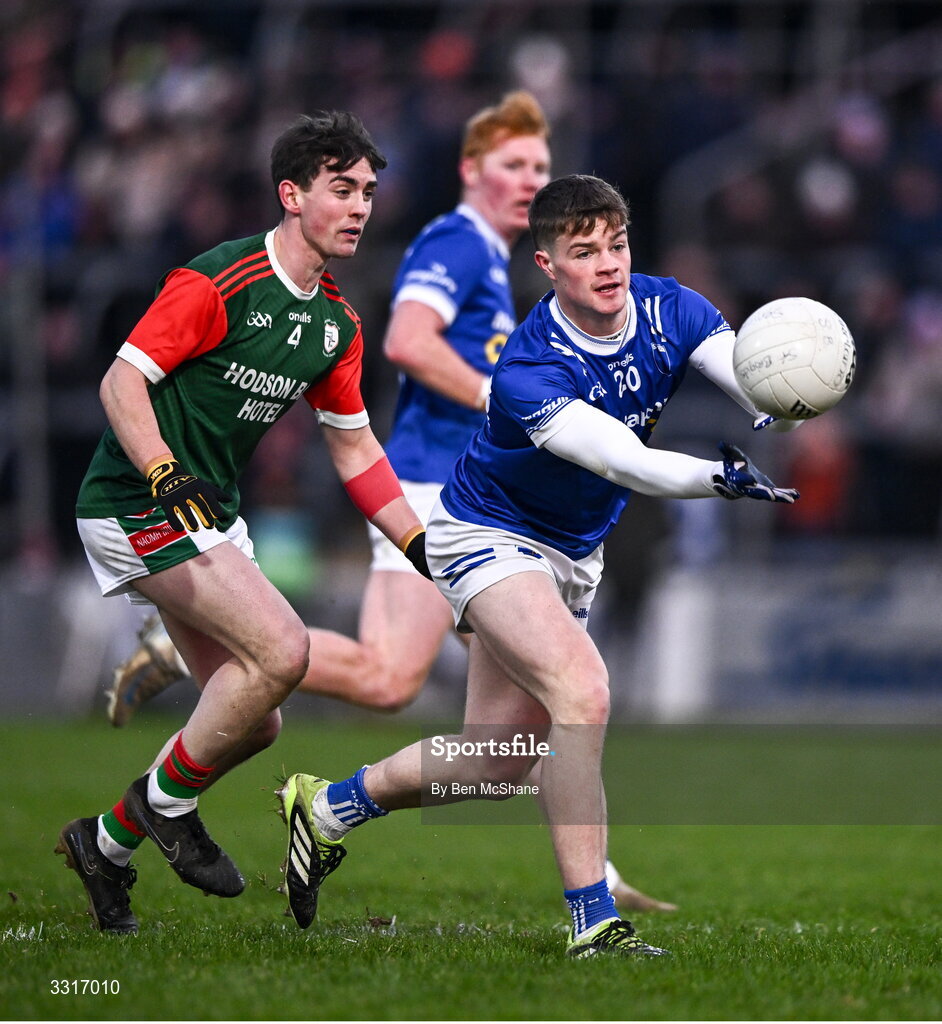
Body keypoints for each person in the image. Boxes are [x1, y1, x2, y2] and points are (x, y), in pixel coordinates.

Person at [104, 92, 675, 913]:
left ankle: (334, 805)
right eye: (513, 166)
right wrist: (509, 401)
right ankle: (590, 898)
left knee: (500, 736)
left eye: (541, 167)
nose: (531, 182)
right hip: (436, 491)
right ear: (471, 171)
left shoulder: (497, 263)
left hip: (486, 502)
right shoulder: (456, 242)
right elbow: (408, 342)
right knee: (401, 677)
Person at [276, 174, 799, 958]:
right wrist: (715, 477)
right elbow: (623, 460)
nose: (608, 263)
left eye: (616, 244)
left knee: (499, 760)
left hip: (571, 552)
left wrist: (786, 390)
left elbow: (745, 367)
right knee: (582, 692)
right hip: (486, 532)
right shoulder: (528, 369)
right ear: (549, 265)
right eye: (584, 251)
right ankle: (595, 923)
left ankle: (325, 810)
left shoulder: (671, 307)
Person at [55, 111, 432, 935]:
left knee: (256, 718)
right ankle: (169, 810)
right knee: (285, 650)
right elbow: (121, 386)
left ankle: (106, 843)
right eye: (343, 189)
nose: (362, 206)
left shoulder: (335, 323)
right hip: (134, 502)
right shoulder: (219, 282)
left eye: (369, 191)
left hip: (208, 517)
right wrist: (162, 468)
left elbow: (357, 450)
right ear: (290, 194)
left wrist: (418, 542)